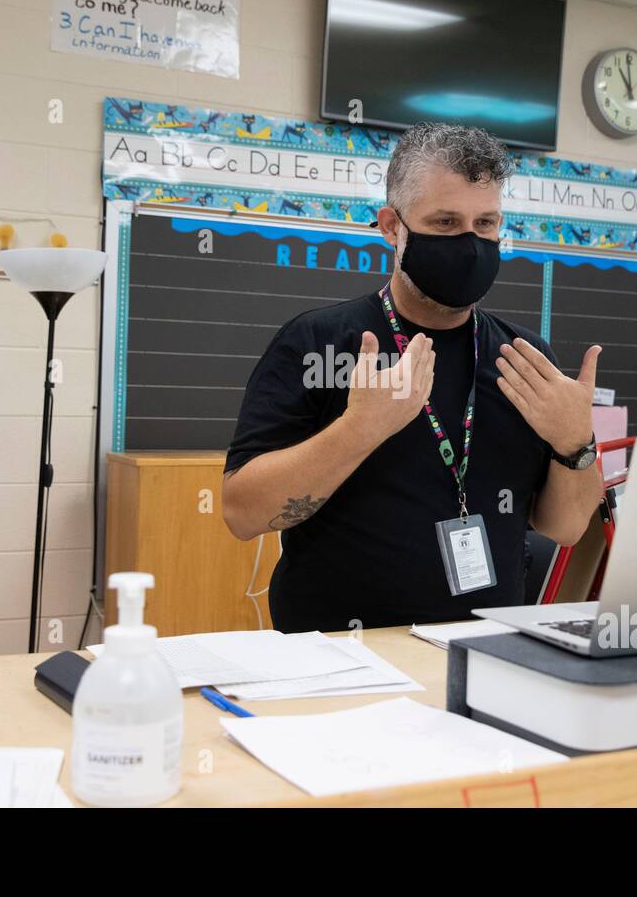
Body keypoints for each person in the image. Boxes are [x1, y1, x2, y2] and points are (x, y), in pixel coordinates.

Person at [222, 122, 604, 632]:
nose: (469, 243)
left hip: (486, 647)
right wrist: (358, 430)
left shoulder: (525, 359)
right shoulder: (318, 343)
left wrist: (575, 442)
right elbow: (242, 515)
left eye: (485, 224)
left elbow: (565, 526)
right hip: (340, 657)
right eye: (445, 223)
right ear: (391, 226)